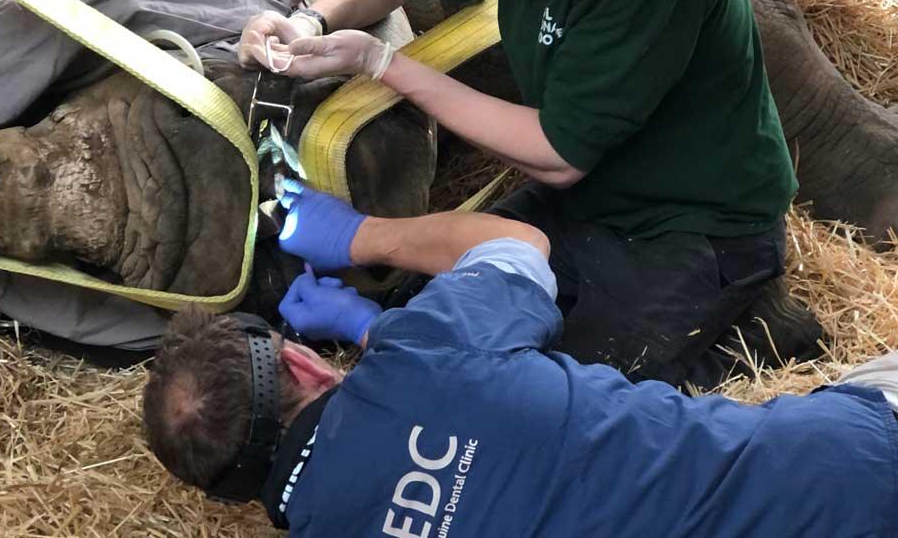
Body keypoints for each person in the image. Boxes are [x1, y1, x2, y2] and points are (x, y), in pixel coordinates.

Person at [235, 0, 822, 388]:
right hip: (589, 194)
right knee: (429, 311)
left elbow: (557, 157)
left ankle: (749, 319)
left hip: (693, 220)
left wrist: (385, 63)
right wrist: (311, 21)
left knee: (540, 388)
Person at [143, 180, 898, 537]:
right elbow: (517, 248)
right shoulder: (426, 350)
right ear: (304, 366)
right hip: (845, 475)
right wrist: (362, 238)